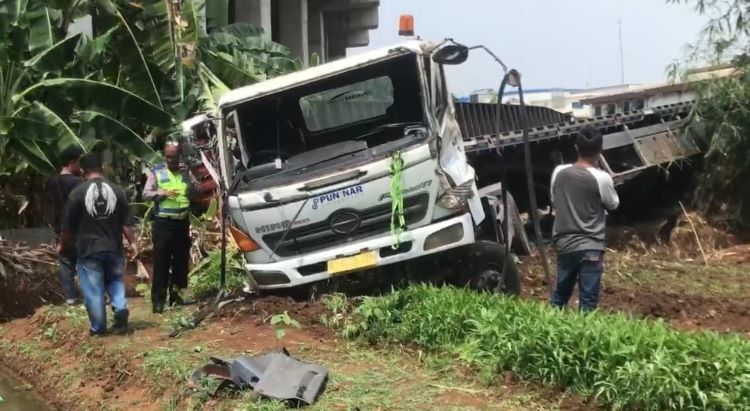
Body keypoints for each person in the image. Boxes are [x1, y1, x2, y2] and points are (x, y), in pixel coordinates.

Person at [60, 154, 137, 336]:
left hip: (89, 249)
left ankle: (98, 328)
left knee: (94, 289)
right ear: (101, 167)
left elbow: (67, 227)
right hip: (113, 246)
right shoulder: (117, 191)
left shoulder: (77, 193)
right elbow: (126, 223)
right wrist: (133, 243)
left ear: (82, 170)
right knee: (115, 280)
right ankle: (119, 307)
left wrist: (62, 245)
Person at [549, 127, 619, 312]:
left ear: (576, 148)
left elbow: (554, 198)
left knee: (560, 296)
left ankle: (546, 333)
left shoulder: (559, 172)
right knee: (588, 303)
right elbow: (613, 204)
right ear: (600, 149)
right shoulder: (602, 178)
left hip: (564, 244)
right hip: (591, 247)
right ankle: (582, 340)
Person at [143, 142, 203, 313]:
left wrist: (189, 179)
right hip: (163, 223)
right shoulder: (157, 172)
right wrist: (161, 194)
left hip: (182, 222)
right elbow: (146, 193)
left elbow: (197, 192)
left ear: (179, 156)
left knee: (180, 262)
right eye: (168, 157)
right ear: (164, 156)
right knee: (161, 262)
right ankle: (158, 302)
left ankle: (177, 298)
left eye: (174, 157)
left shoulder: (185, 172)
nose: (171, 160)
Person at [46, 146, 85, 305]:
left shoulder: (52, 182)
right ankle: (90, 295)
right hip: (78, 227)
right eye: (78, 162)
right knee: (83, 262)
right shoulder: (78, 183)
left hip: (60, 228)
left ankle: (71, 298)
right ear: (72, 162)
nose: (80, 166)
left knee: (66, 263)